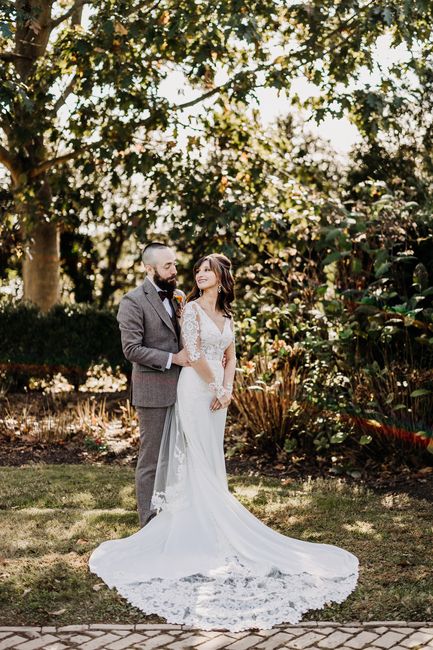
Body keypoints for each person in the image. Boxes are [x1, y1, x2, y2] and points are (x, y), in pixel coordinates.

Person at [89, 252, 358, 631]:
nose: (197, 274)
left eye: (206, 270)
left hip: (218, 394)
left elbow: (230, 356)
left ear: (221, 277)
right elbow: (193, 354)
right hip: (195, 389)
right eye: (195, 269)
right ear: (152, 268)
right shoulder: (189, 309)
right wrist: (215, 385)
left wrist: (228, 389)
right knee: (190, 456)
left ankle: (213, 525)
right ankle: (174, 528)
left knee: (212, 458)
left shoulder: (225, 315)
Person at [116, 242, 189, 528]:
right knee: (152, 460)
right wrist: (173, 359)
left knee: (178, 456)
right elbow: (131, 349)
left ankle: (176, 517)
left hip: (184, 390)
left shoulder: (179, 297)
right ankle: (148, 523)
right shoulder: (132, 301)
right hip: (153, 392)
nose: (174, 270)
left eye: (174, 264)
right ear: (149, 269)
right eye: (167, 266)